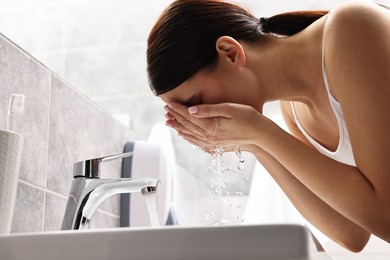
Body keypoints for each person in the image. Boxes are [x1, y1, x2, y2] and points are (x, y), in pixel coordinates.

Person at [146, 0, 390, 252]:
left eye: (196, 103)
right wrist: (255, 143)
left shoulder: (352, 27)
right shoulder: (294, 111)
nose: (200, 119)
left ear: (231, 52)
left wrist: (263, 133)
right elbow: (351, 233)